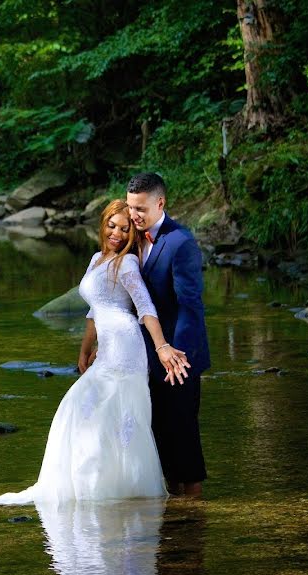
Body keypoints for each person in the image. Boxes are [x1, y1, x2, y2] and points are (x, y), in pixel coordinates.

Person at [0, 200, 190, 506]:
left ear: (132, 233)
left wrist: (161, 346)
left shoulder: (127, 264)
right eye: (112, 225)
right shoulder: (96, 260)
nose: (117, 233)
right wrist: (85, 349)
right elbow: (93, 310)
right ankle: (92, 485)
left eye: (125, 228)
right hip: (105, 345)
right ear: (103, 224)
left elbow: (144, 307)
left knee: (112, 413)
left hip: (126, 344)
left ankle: (121, 488)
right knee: (79, 410)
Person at [125, 172, 210, 496]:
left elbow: (191, 305)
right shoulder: (132, 238)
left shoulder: (181, 242)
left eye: (141, 209)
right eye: (131, 207)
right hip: (146, 359)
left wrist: (179, 358)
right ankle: (177, 520)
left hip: (178, 359)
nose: (134, 215)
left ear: (160, 203)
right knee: (161, 440)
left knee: (184, 441)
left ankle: (194, 523)